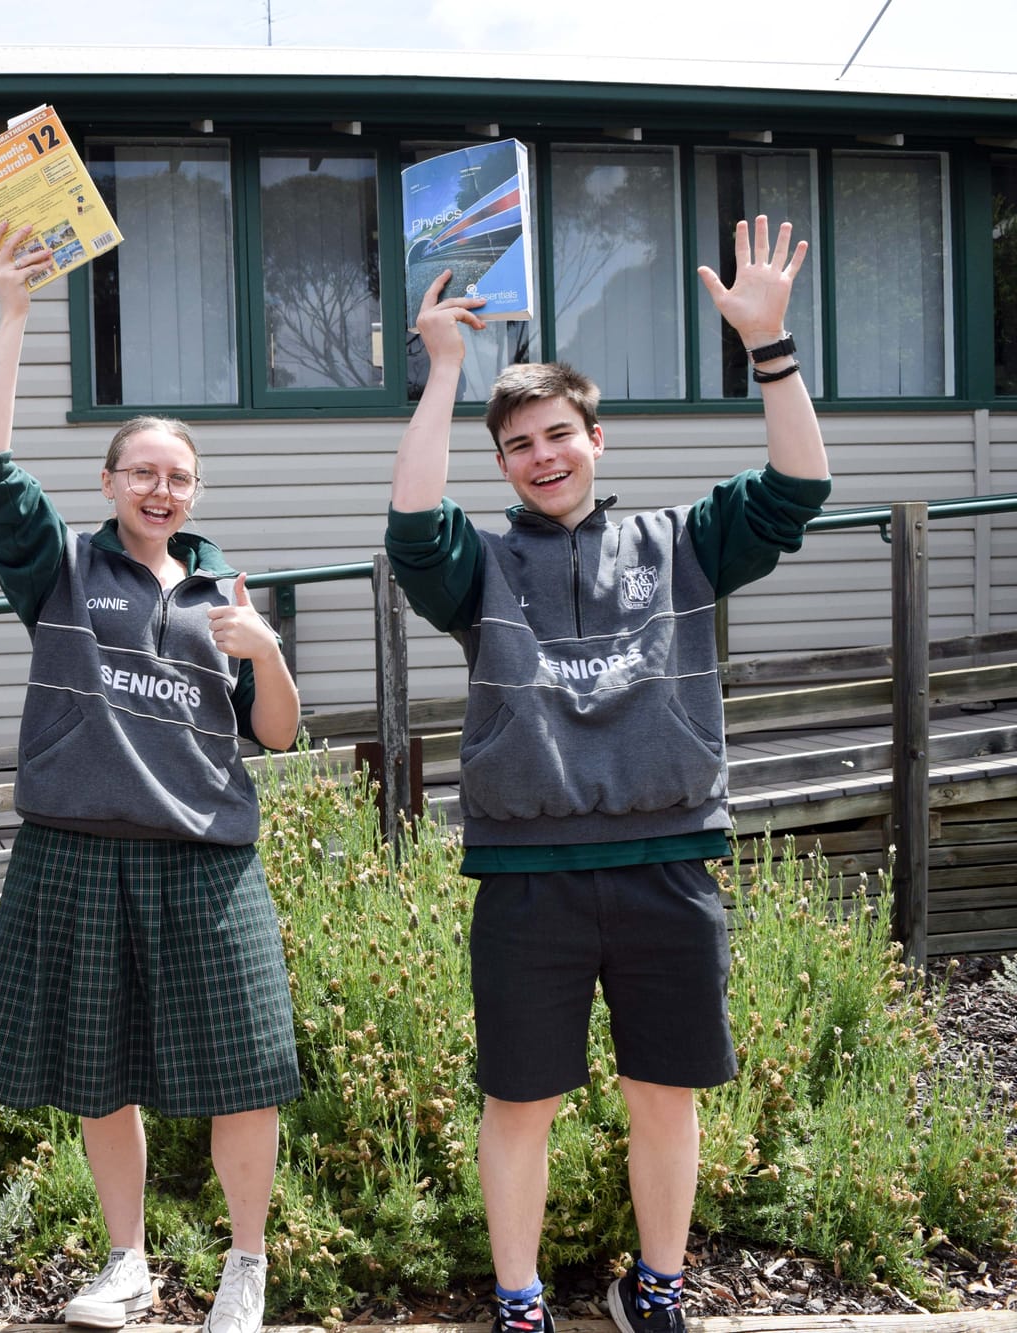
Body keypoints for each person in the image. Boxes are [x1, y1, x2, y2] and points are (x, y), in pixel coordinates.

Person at [384, 216, 831, 1333]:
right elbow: (407, 525)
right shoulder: (475, 569)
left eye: (557, 434)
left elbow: (796, 487)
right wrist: (443, 370)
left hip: (665, 862)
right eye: (519, 443)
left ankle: (657, 1288)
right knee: (517, 1102)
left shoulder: (684, 542)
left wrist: (767, 348)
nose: (541, 455)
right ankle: (519, 1299)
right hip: (527, 875)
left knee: (660, 1095)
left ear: (596, 438)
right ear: (501, 463)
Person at [0, 222, 303, 1333]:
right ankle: (127, 1261)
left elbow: (282, 736)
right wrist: (13, 311)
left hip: (207, 856)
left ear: (194, 493)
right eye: (142, 472)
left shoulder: (228, 595)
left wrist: (267, 654)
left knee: (244, 1073)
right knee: (97, 1072)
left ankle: (244, 1268)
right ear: (108, 481)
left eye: (178, 477)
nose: (160, 488)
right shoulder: (58, 568)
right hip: (76, 845)